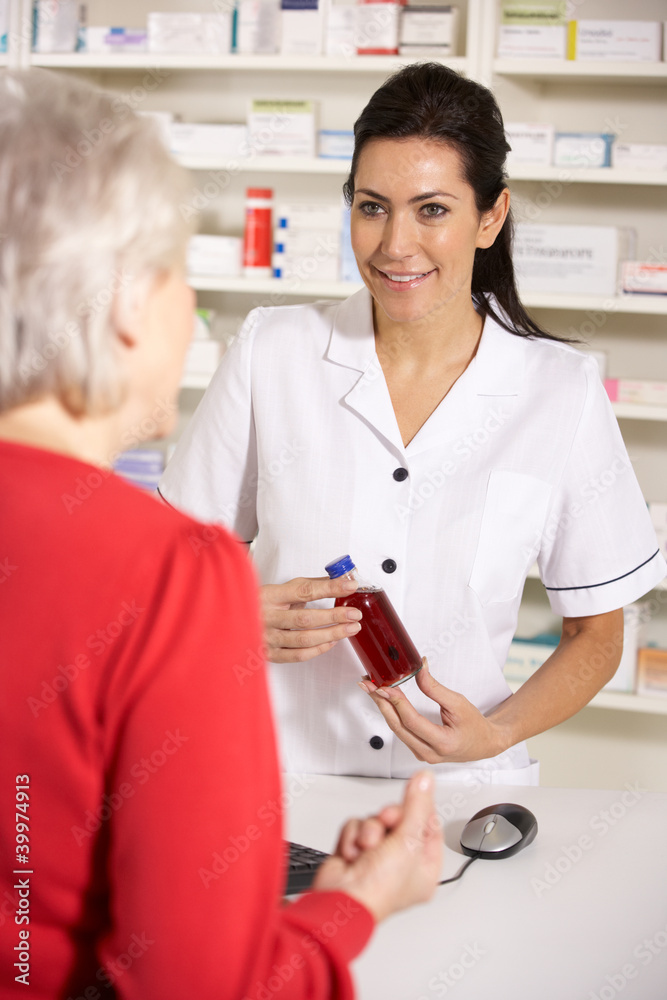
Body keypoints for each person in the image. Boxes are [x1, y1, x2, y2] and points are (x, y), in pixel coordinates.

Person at [0, 69, 443, 999]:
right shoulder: (164, 574)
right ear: (125, 302)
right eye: (178, 273)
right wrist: (348, 908)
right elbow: (197, 986)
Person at [159, 63, 665, 784]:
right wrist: (228, 611)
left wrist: (494, 734)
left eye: (431, 210)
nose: (395, 244)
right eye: (372, 207)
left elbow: (596, 635)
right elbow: (165, 568)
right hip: (272, 782)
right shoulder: (272, 351)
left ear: (489, 217)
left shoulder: (559, 390)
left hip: (457, 794)